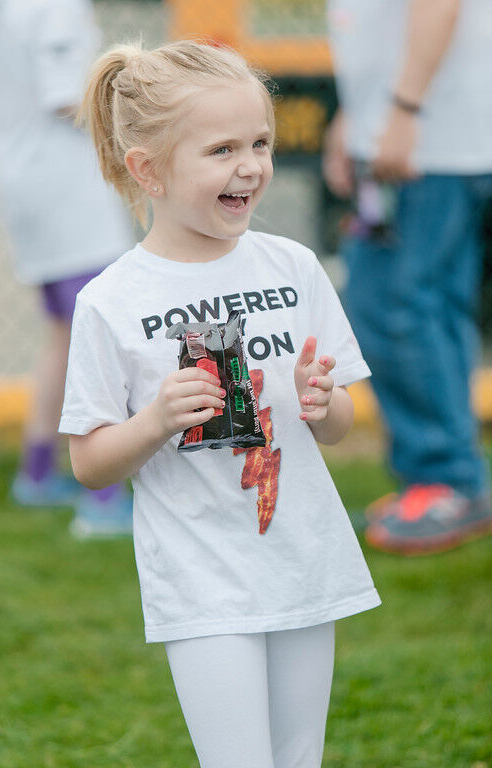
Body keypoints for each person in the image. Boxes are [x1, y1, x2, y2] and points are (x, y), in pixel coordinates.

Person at [58, 40, 381, 767]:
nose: (250, 165)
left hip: (305, 564)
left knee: (301, 758)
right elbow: (89, 464)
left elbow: (339, 426)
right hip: (203, 580)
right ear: (150, 171)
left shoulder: (294, 268)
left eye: (260, 143)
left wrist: (322, 402)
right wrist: (156, 420)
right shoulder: (111, 302)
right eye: (222, 149)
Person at [324, 0, 492, 555]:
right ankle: (445, 479)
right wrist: (357, 116)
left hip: (428, 142)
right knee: (426, 308)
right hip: (421, 135)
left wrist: (402, 112)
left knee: (399, 307)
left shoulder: (413, 121)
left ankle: (447, 482)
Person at [0, 0, 135, 536]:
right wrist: (145, 130)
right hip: (65, 193)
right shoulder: (56, 6)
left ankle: (39, 473)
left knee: (66, 335)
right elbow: (67, 98)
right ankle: (105, 499)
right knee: (105, 336)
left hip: (28, 182)